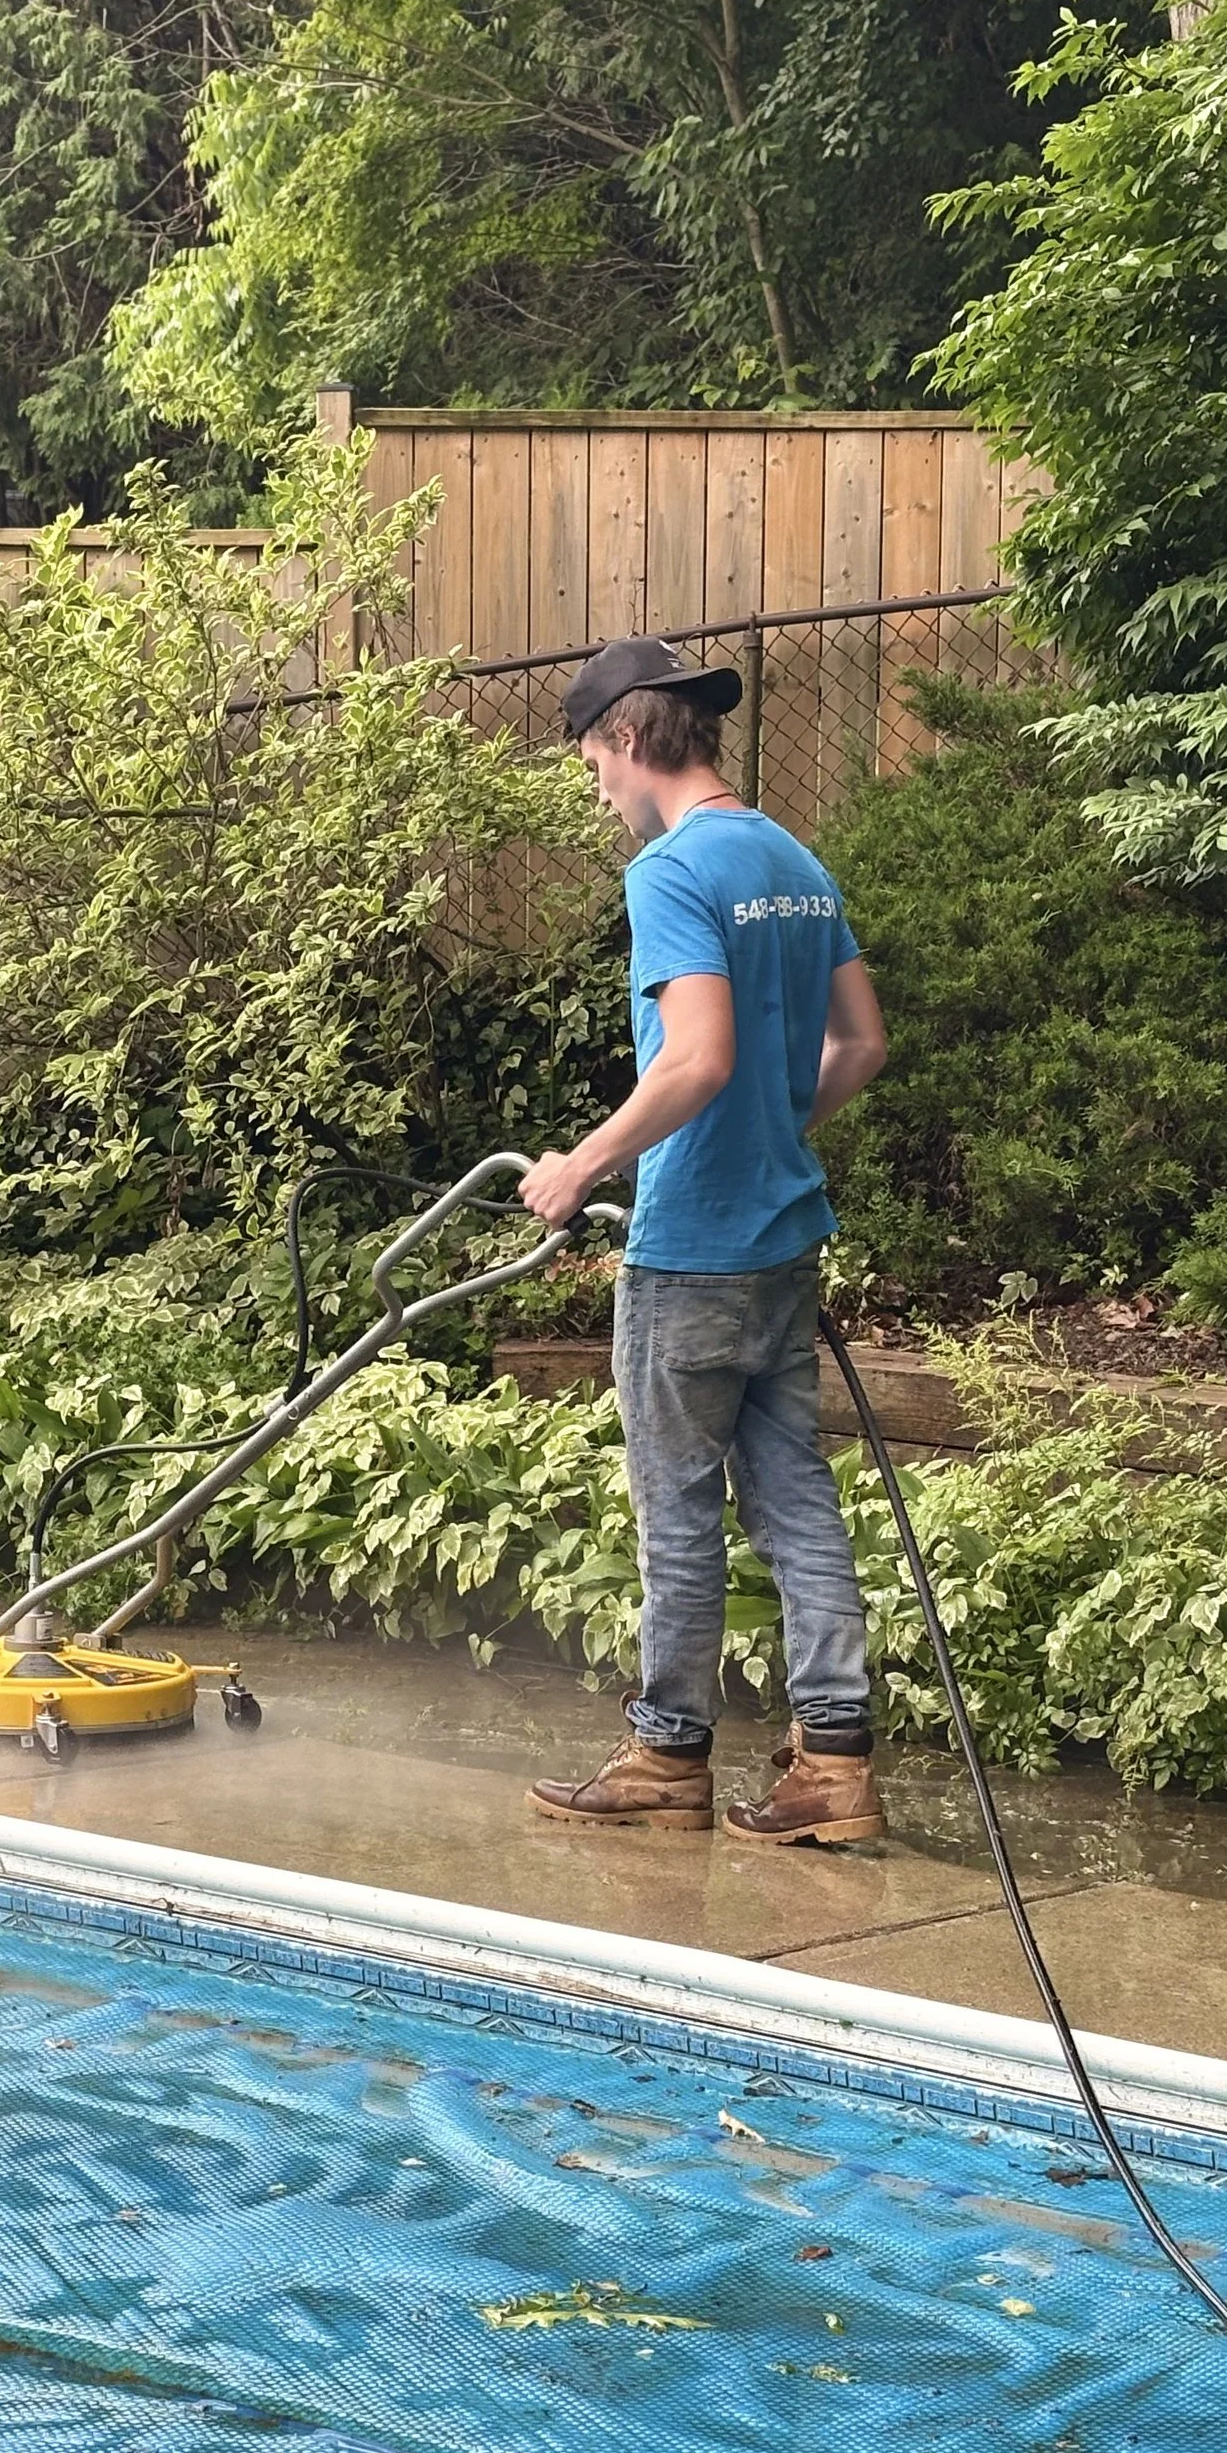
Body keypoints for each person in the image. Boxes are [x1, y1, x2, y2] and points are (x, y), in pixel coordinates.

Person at [519, 634, 888, 1845]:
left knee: (677, 1507)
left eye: (591, 766)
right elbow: (860, 1045)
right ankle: (832, 1767)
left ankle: (666, 1756)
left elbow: (698, 1057)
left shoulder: (672, 872)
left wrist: (583, 1163)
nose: (600, 794)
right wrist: (780, 1137)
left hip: (690, 1253)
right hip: (784, 1240)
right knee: (793, 1498)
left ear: (627, 739)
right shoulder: (790, 854)